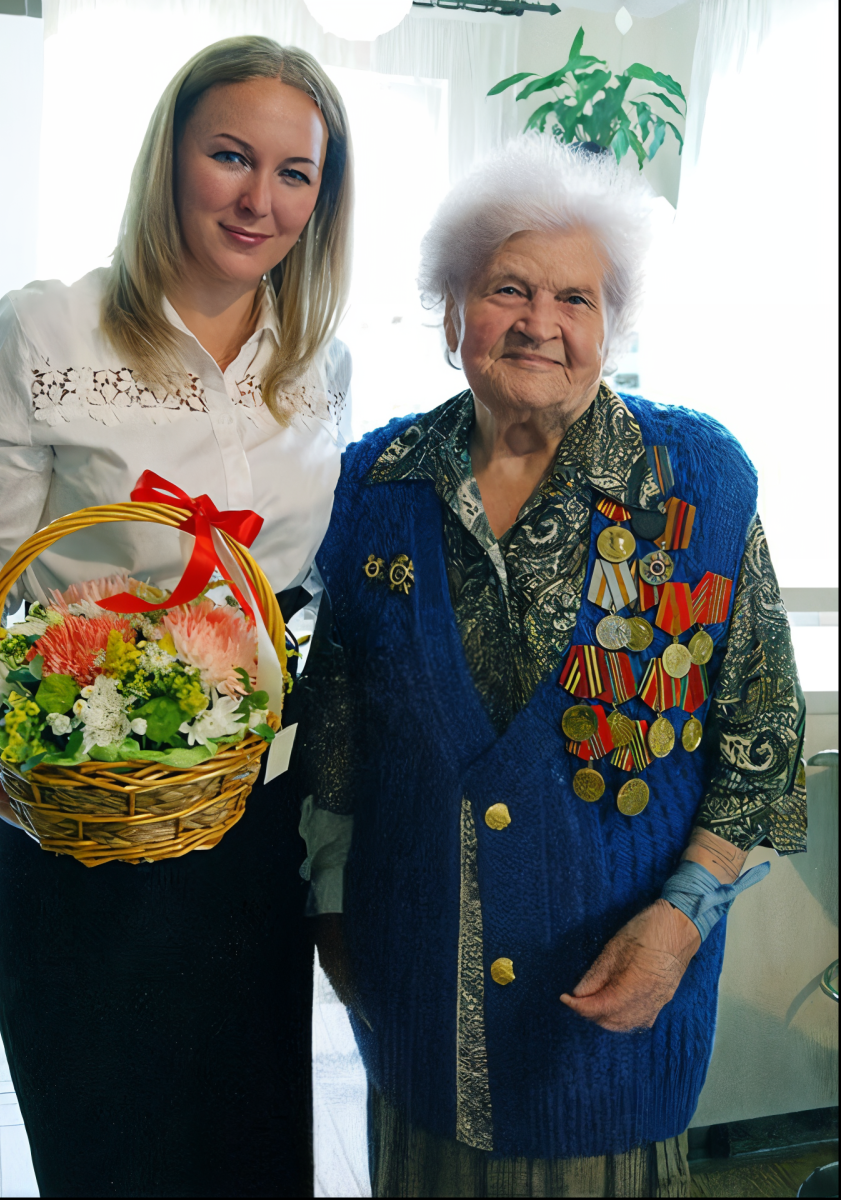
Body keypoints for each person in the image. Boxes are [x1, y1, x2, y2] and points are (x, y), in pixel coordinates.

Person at [298, 132, 806, 1198]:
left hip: (611, 1022)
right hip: (418, 1000)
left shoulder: (697, 478)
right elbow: (336, 725)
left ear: (612, 323)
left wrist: (685, 917)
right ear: (450, 313)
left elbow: (762, 733)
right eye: (508, 290)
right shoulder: (377, 481)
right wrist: (334, 911)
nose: (541, 322)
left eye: (576, 298)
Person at [0, 36, 353, 1198]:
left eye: (295, 174)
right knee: (109, 1150)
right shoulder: (51, 331)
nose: (260, 200)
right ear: (170, 157)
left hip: (252, 825)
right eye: (230, 156)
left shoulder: (318, 358)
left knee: (251, 1148)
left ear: (322, 199)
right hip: (88, 820)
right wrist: (12, 780)